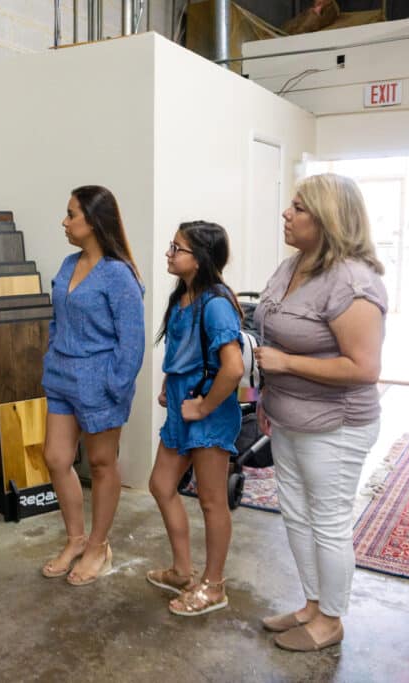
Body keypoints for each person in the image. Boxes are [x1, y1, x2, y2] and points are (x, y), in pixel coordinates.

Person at [253, 173, 387, 652]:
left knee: (328, 523)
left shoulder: (353, 282)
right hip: (287, 416)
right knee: (295, 515)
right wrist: (268, 395)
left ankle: (331, 620)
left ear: (328, 218)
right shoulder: (292, 265)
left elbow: (364, 368)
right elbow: (272, 334)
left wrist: (287, 365)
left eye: (299, 207)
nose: (286, 213)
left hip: (336, 425)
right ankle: (312, 605)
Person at [39, 185, 145, 586]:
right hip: (62, 377)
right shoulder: (69, 263)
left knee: (101, 464)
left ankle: (99, 545)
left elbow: (132, 341)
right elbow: (58, 318)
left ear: (95, 221)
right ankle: (76, 539)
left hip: (100, 383)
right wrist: (54, 352)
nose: (64, 222)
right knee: (56, 458)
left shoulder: (119, 275)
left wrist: (113, 385)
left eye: (71, 215)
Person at [145, 221, 245, 616]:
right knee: (160, 484)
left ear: (200, 258)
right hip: (181, 407)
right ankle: (183, 571)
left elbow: (232, 369)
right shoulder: (182, 297)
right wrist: (168, 383)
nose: (169, 253)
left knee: (211, 500)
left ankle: (214, 585)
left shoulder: (215, 304)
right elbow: (184, 350)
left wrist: (202, 408)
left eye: (178, 248)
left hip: (207, 413)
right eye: (171, 245)